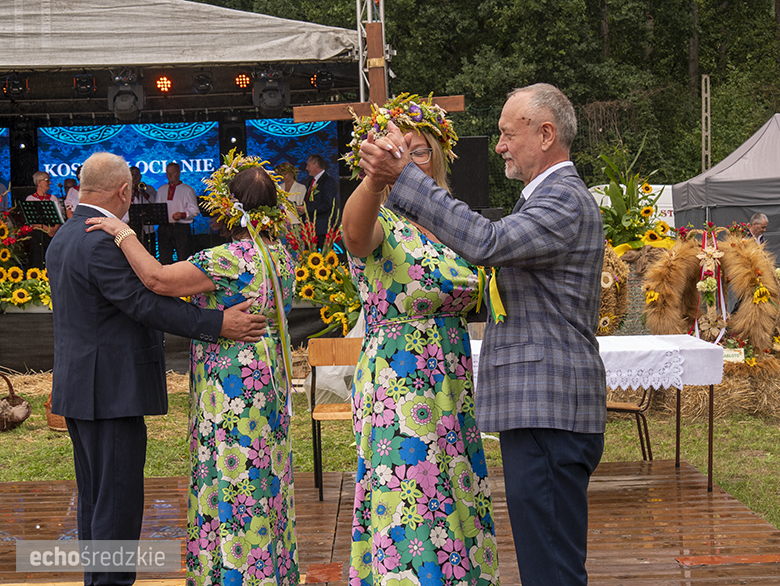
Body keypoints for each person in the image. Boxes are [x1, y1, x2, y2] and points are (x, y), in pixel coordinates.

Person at [358, 83, 607, 586]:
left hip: (548, 409)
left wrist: (404, 174)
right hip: (539, 410)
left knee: (552, 567)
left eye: (506, 133)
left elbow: (485, 242)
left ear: (545, 134)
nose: (498, 146)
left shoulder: (563, 200)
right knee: (546, 560)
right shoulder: (544, 199)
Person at [46, 151, 267, 586]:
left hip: (80, 386)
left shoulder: (64, 235)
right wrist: (218, 323)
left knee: (96, 498)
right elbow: (144, 303)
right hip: (110, 391)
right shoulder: (99, 239)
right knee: (117, 501)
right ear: (124, 191)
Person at [340, 94, 500, 586]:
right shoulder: (381, 218)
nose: (406, 157)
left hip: (451, 384)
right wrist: (376, 178)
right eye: (396, 148)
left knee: (451, 496)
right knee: (409, 496)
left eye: (419, 150)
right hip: (399, 384)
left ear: (440, 158)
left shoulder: (452, 222)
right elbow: (353, 234)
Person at [156, 161, 199, 263]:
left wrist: (182, 215)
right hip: (164, 227)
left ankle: (183, 278)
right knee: (164, 257)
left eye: (173, 172)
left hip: (181, 228)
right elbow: (157, 208)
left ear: (179, 173)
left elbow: (195, 210)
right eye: (168, 173)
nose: (170, 175)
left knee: (183, 256)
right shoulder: (161, 190)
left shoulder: (187, 190)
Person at [25, 171, 64, 267]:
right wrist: (47, 229)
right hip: (38, 233)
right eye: (47, 180)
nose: (50, 183)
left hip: (53, 233)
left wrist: (54, 229)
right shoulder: (30, 199)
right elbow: (32, 220)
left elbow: (59, 217)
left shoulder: (53, 198)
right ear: (39, 182)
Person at [303, 154, 338, 249]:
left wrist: (307, 209)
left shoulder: (327, 181)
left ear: (316, 165)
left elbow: (327, 204)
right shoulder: (311, 181)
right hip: (311, 228)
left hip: (322, 228)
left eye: (308, 165)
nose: (306, 168)